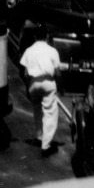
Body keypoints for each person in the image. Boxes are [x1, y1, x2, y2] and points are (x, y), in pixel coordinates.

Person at [19, 24, 64, 157]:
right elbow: (57, 72)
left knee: (37, 110)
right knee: (50, 113)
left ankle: (39, 137)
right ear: (47, 36)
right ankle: (46, 146)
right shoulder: (52, 51)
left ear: (34, 36)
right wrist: (61, 87)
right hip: (48, 82)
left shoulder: (28, 51)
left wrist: (28, 87)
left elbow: (25, 73)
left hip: (33, 83)